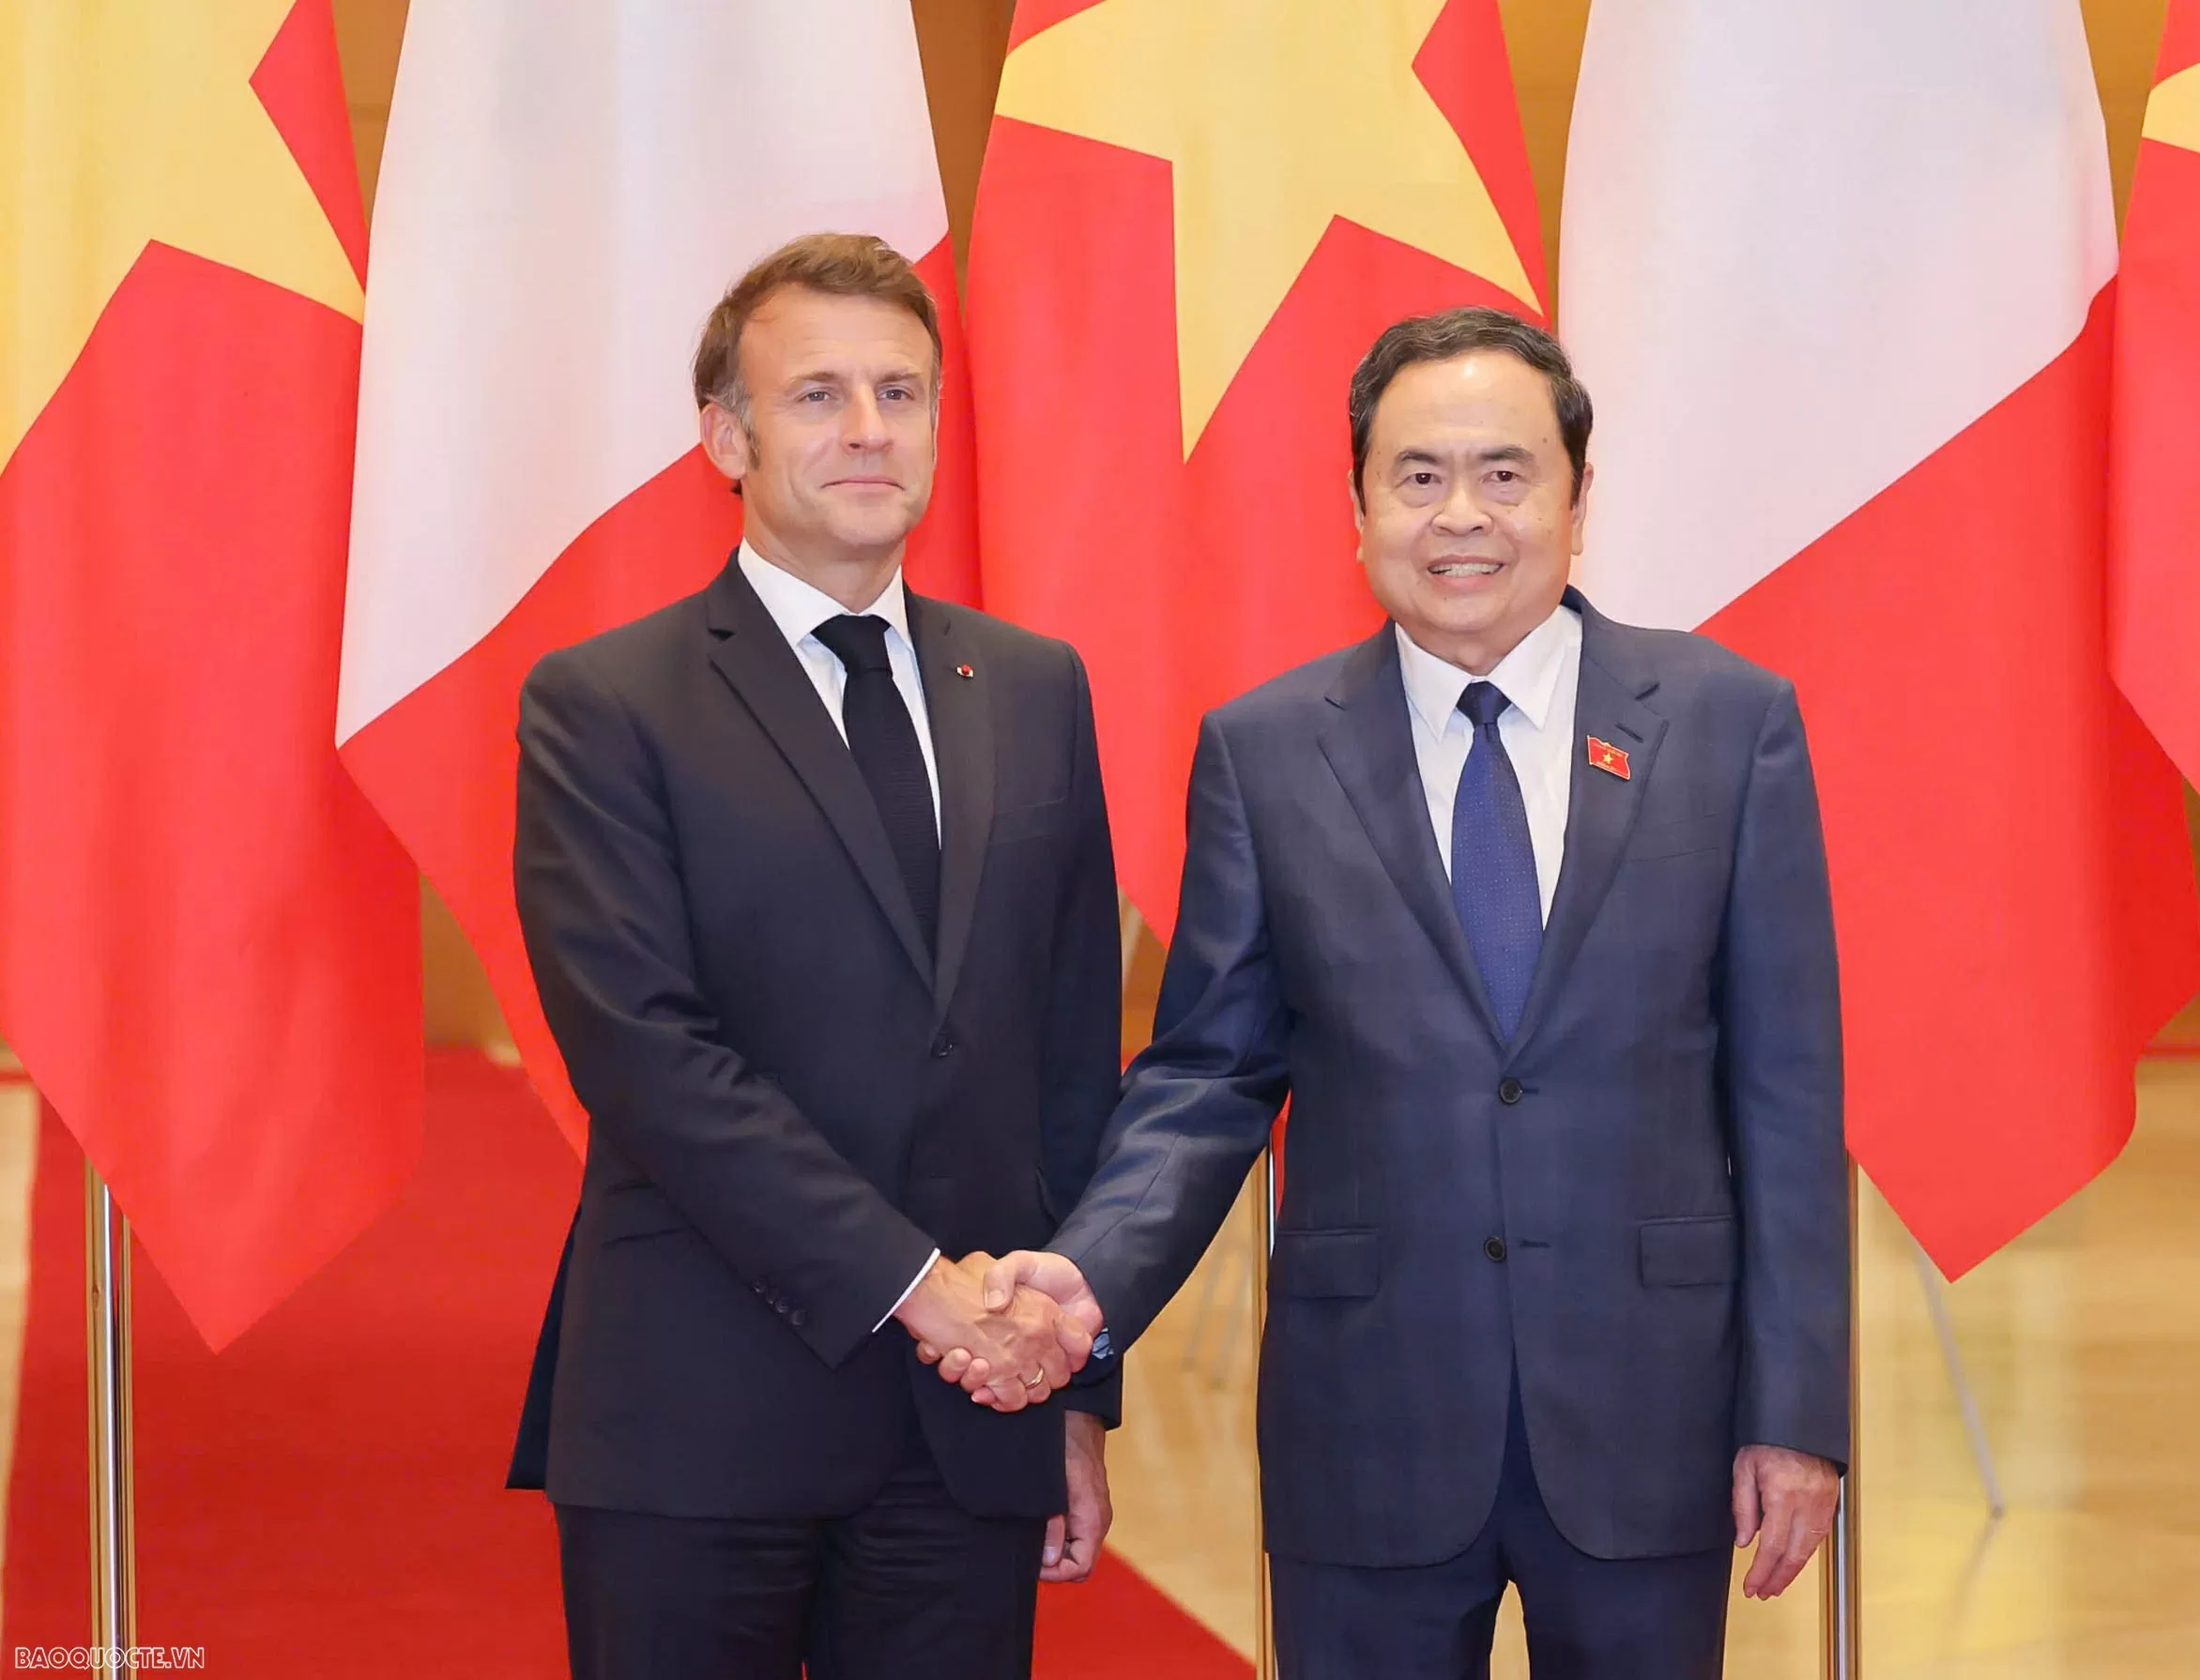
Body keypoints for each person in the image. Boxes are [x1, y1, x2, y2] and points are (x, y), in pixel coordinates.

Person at [934, 307, 1851, 1677]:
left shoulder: (1727, 724)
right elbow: (1205, 1076)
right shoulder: (1263, 753)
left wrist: (1795, 1407)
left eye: (1503, 471)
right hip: (1367, 1424)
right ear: (1356, 507)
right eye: (1416, 476)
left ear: (1576, 495)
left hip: (1647, 1416)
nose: (1460, 515)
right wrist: (1084, 1281)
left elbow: (1784, 1097)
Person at [505, 233, 1121, 1679]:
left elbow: (1065, 1057)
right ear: (726, 434)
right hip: (698, 1410)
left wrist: (1076, 1387)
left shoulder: (1034, 687)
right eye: (817, 395)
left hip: (972, 1429)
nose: (867, 431)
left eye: (901, 393)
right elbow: (649, 1057)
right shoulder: (605, 704)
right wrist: (923, 1290)